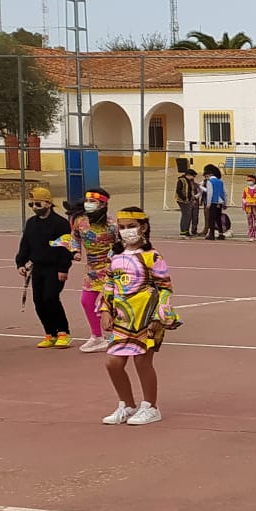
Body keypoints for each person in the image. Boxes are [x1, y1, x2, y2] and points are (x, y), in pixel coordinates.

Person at [98, 206, 176, 426]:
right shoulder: (115, 255)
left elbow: (165, 288)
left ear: (143, 227)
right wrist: (105, 310)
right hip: (122, 318)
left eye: (131, 226)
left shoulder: (153, 257)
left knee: (142, 362)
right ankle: (127, 404)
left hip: (146, 316)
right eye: (122, 227)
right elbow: (109, 283)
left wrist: (159, 316)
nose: (126, 231)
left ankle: (150, 407)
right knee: (113, 363)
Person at [16, 187, 73, 348]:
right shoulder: (31, 223)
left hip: (54, 268)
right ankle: (50, 333)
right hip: (38, 268)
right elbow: (25, 244)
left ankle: (63, 332)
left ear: (48, 204)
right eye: (32, 204)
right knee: (38, 301)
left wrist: (63, 268)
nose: (34, 207)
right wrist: (20, 263)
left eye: (38, 204)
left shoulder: (60, 224)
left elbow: (65, 248)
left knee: (50, 298)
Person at [69, 189, 118, 353]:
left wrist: (113, 255)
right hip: (91, 270)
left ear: (103, 204)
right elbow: (75, 237)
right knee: (86, 301)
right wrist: (75, 251)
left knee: (108, 303)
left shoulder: (112, 225)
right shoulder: (80, 222)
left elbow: (121, 243)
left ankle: (115, 335)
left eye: (93, 202)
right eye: (87, 201)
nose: (88, 204)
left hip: (109, 269)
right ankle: (96, 336)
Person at [201, 164, 229, 240]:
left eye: (206, 176)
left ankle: (212, 234)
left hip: (213, 202)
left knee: (211, 219)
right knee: (218, 218)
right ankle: (221, 234)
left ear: (210, 175)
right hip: (220, 202)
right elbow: (224, 193)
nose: (206, 177)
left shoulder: (210, 181)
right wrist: (225, 203)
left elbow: (210, 193)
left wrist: (208, 204)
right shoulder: (220, 182)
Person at [175, 167, 201, 237]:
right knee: (185, 216)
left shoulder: (188, 181)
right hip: (182, 201)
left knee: (188, 216)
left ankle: (186, 231)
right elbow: (178, 190)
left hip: (188, 200)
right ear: (189, 175)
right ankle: (183, 231)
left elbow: (190, 191)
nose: (193, 178)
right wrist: (184, 198)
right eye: (193, 176)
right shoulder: (181, 180)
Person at [242, 173, 256, 241]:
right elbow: (243, 198)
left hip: (255, 207)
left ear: (254, 180)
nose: (249, 181)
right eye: (248, 180)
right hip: (248, 207)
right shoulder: (245, 189)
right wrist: (245, 203)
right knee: (250, 222)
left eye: (250, 180)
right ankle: (251, 235)